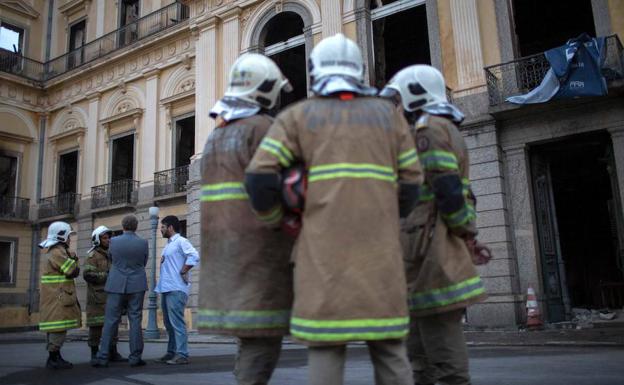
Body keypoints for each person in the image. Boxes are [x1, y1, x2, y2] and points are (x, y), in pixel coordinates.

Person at [245, 34, 423, 385]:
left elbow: (259, 179)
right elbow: (412, 183)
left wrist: (280, 220)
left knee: (326, 348)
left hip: (320, 259)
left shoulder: (297, 117)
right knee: (390, 349)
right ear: (358, 71)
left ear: (315, 71)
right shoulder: (389, 116)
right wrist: (389, 215)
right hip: (381, 257)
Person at [380, 65, 491, 385]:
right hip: (421, 257)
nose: (395, 109)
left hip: (432, 255)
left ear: (414, 97)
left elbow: (449, 190)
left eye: (398, 101)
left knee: (443, 361)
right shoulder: (436, 130)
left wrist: (464, 234)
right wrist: (468, 237)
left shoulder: (429, 130)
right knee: (418, 357)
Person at [198, 53, 295, 385]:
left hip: (223, 254)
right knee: (263, 337)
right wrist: (278, 219)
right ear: (264, 90)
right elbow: (274, 184)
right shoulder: (263, 128)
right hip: (258, 253)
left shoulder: (215, 136)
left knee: (250, 337)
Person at [92, 215, 149, 368]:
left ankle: (103, 356)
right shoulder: (143, 243)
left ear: (123, 226)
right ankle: (135, 357)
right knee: (135, 320)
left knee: (110, 320)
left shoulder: (114, 242)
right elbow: (144, 262)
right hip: (137, 284)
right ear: (136, 226)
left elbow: (111, 258)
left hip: (116, 283)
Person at [154, 215, 199, 365]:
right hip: (166, 289)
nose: (160, 229)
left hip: (176, 288)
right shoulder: (168, 245)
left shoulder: (181, 241)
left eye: (162, 227)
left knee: (177, 323)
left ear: (170, 227)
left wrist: (183, 271)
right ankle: (171, 352)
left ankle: (182, 354)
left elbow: (194, 255)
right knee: (168, 324)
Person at [38, 221, 81, 370]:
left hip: (55, 296)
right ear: (61, 236)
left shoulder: (53, 251)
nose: (70, 240)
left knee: (55, 328)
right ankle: (53, 358)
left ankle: (55, 357)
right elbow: (72, 271)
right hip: (58, 298)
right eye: (68, 236)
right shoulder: (58, 252)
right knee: (58, 328)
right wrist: (74, 260)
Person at [83, 225, 126, 361]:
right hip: (97, 298)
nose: (108, 240)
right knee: (96, 327)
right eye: (105, 238)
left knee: (113, 325)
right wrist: (108, 275)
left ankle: (113, 352)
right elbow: (88, 275)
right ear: (97, 240)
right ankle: (94, 353)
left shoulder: (112, 254)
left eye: (109, 238)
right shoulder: (92, 256)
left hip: (111, 295)